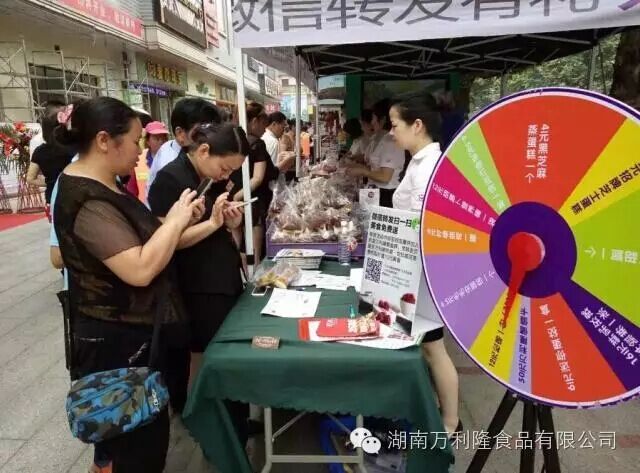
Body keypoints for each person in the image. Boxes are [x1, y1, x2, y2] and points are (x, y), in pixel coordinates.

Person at [52, 96, 204, 472]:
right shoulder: (85, 197)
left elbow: (149, 240)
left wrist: (186, 222)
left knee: (143, 439)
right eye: (135, 140)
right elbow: (138, 268)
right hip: (114, 345)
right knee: (131, 449)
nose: (140, 151)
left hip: (136, 338)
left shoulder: (108, 185)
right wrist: (174, 221)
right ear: (104, 140)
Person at [148, 123, 248, 403]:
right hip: (196, 283)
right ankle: (201, 409)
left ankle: (224, 407)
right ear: (204, 150)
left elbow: (218, 220)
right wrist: (214, 224)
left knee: (220, 347)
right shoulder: (170, 179)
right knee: (205, 350)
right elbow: (168, 240)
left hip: (220, 275)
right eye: (225, 168)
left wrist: (231, 222)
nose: (226, 176)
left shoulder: (207, 176)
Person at [388, 97, 462, 438]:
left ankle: (450, 422)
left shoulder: (430, 165)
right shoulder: (419, 161)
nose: (391, 133)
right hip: (412, 269)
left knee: (433, 346)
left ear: (417, 125)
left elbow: (421, 225)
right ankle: (428, 408)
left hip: (422, 271)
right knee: (423, 345)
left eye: (395, 125)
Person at [146, 98, 222, 196]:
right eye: (202, 132)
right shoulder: (170, 169)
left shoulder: (186, 152)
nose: (210, 138)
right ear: (180, 133)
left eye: (213, 131)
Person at [229, 102, 270, 264]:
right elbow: (258, 178)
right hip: (252, 201)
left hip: (232, 197)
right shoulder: (257, 144)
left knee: (238, 249)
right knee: (254, 254)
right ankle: (253, 276)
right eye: (263, 124)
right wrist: (238, 197)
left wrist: (233, 197)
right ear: (254, 122)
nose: (264, 129)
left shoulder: (232, 140)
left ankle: (241, 275)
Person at [345, 99, 405, 207]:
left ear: (382, 120)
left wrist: (363, 171)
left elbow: (385, 177)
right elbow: (374, 166)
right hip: (374, 189)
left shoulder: (391, 142)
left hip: (386, 193)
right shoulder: (382, 139)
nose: (372, 122)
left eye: (373, 118)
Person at [27, 103, 76, 207]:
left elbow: (30, 178)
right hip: (75, 198)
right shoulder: (75, 147)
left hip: (52, 198)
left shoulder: (40, 151)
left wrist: (51, 181)